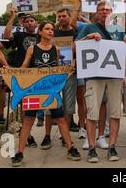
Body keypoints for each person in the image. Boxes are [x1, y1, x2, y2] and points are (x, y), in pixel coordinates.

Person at [11, 22, 81, 166]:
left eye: (52, 29)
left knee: (60, 119)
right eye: (47, 29)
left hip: (51, 91)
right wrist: (9, 71)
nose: (50, 31)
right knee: (28, 120)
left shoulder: (56, 49)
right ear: (40, 32)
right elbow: (24, 68)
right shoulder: (32, 49)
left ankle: (71, 148)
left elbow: (58, 68)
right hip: (34, 92)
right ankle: (19, 153)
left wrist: (69, 69)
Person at [79, 1, 126, 163]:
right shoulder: (88, 28)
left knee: (115, 112)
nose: (105, 12)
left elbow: (124, 53)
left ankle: (112, 147)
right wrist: (88, 38)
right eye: (102, 9)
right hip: (94, 77)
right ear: (96, 13)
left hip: (114, 77)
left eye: (108, 10)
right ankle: (92, 149)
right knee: (92, 113)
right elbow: (75, 48)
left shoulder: (118, 28)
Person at [41, 8, 80, 150]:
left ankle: (65, 137)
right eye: (59, 16)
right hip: (54, 73)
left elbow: (79, 49)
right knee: (49, 105)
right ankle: (47, 136)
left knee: (68, 105)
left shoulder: (76, 32)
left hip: (70, 73)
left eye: (64, 16)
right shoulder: (53, 32)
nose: (62, 18)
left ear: (70, 17)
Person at [4, 9, 39, 147]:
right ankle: (28, 135)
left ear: (36, 23)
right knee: (24, 105)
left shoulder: (41, 37)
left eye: (32, 20)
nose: (29, 23)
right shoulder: (19, 35)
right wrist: (12, 16)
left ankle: (26, 132)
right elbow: (7, 35)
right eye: (27, 21)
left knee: (32, 106)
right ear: (23, 24)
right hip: (22, 74)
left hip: (36, 75)